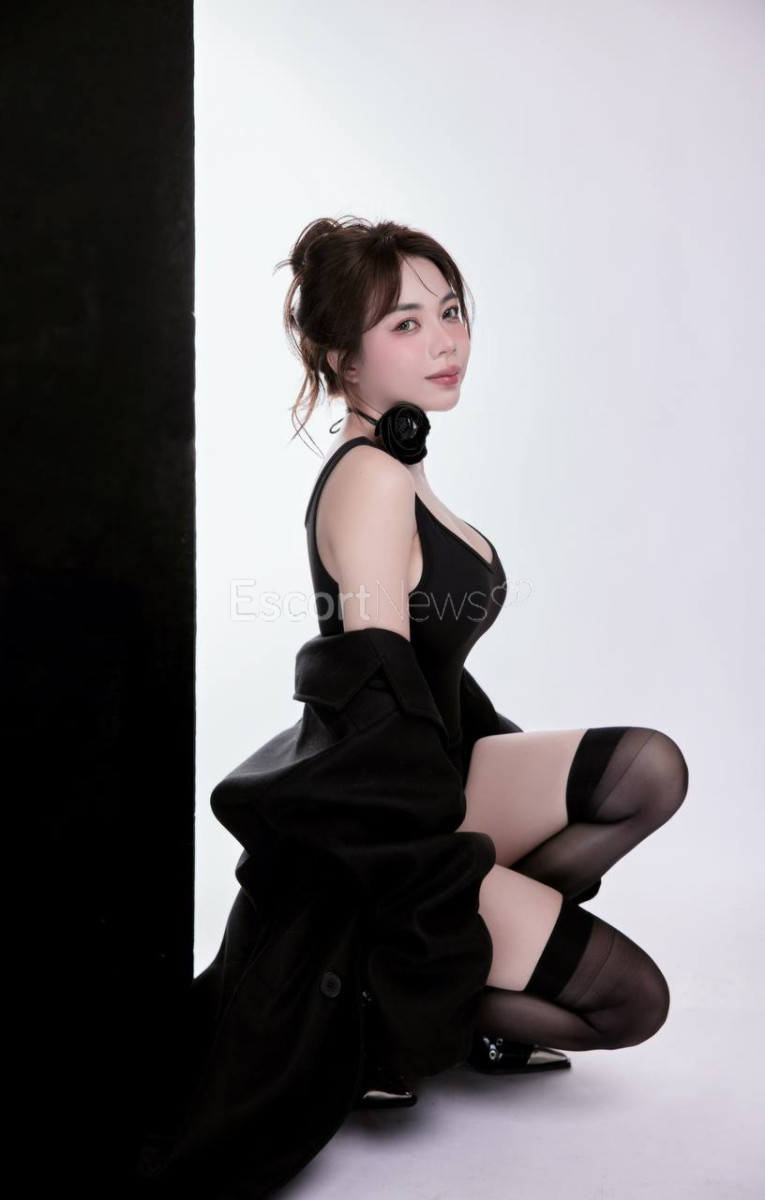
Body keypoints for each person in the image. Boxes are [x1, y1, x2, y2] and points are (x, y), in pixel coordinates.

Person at [136, 216, 689, 1198]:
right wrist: (427, 882)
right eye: (406, 323)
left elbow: (429, 675)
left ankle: (456, 966)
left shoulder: (397, 462)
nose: (445, 340)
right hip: (393, 810)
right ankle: (394, 1005)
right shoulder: (370, 483)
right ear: (341, 357)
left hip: (441, 763)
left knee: (646, 770)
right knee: (630, 1004)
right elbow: (377, 698)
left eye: (451, 311)